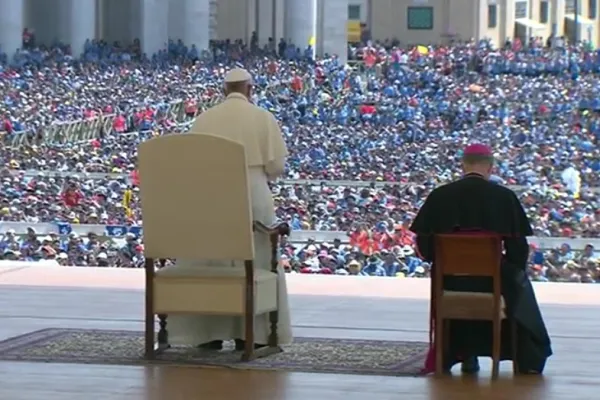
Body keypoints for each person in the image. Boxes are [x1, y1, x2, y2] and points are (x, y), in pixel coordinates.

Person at [166, 68, 293, 350]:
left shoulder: (203, 118)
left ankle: (206, 332)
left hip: (209, 195)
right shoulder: (262, 117)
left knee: (209, 261)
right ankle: (254, 334)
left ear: (224, 90)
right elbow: (277, 167)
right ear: (250, 90)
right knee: (258, 259)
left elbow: (193, 164)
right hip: (253, 194)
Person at [409, 143, 552, 375]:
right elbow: (518, 250)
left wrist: (444, 263)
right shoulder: (505, 197)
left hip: (450, 281)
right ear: (490, 168)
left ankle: (462, 353)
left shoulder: (440, 196)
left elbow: (425, 247)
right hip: (493, 281)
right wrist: (511, 268)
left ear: (463, 165)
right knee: (518, 287)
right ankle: (526, 359)